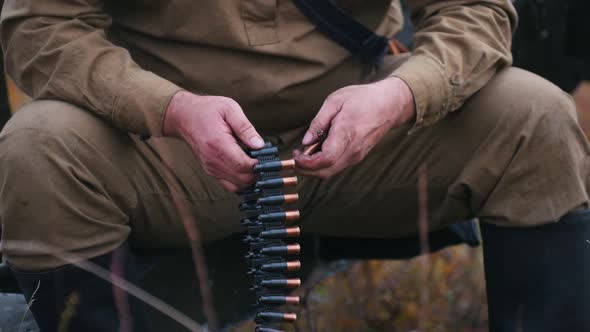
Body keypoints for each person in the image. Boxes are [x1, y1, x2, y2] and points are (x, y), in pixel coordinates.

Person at [0, 0, 588, 331]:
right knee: (38, 147)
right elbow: (41, 28)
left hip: (368, 136)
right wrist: (169, 109)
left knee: (534, 116)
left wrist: (400, 97)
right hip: (167, 150)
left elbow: (476, 10)